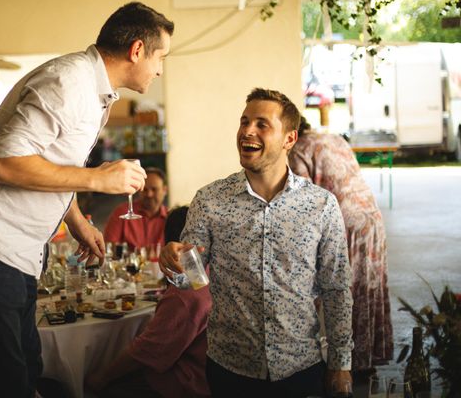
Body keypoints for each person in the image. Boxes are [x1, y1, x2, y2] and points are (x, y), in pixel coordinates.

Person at [0, 2, 174, 398]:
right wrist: (98, 178)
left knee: (26, 365)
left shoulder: (96, 93)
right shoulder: (68, 82)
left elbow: (50, 163)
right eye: (162, 57)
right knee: (4, 379)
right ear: (138, 50)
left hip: (14, 247)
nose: (161, 70)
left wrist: (76, 220)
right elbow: (5, 165)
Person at [159, 88, 354, 398]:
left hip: (300, 368)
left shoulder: (321, 205)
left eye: (262, 124)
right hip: (230, 370)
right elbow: (189, 281)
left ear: (289, 139)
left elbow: (336, 287)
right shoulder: (210, 201)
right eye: (244, 121)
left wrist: (341, 363)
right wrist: (172, 261)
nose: (247, 131)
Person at [288, 117, 393, 372]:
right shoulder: (332, 137)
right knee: (369, 286)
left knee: (343, 289)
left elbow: (304, 200)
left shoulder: (298, 150)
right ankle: (365, 358)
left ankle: (347, 365)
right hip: (370, 213)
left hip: (344, 220)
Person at [86, 206, 212, 398]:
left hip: (191, 382)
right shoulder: (214, 272)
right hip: (210, 373)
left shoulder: (187, 292)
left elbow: (149, 351)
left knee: (105, 388)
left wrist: (101, 377)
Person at [103, 167, 169, 249]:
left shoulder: (170, 217)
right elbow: (108, 247)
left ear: (165, 190)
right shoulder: (122, 212)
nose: (149, 194)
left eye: (154, 189)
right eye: (144, 189)